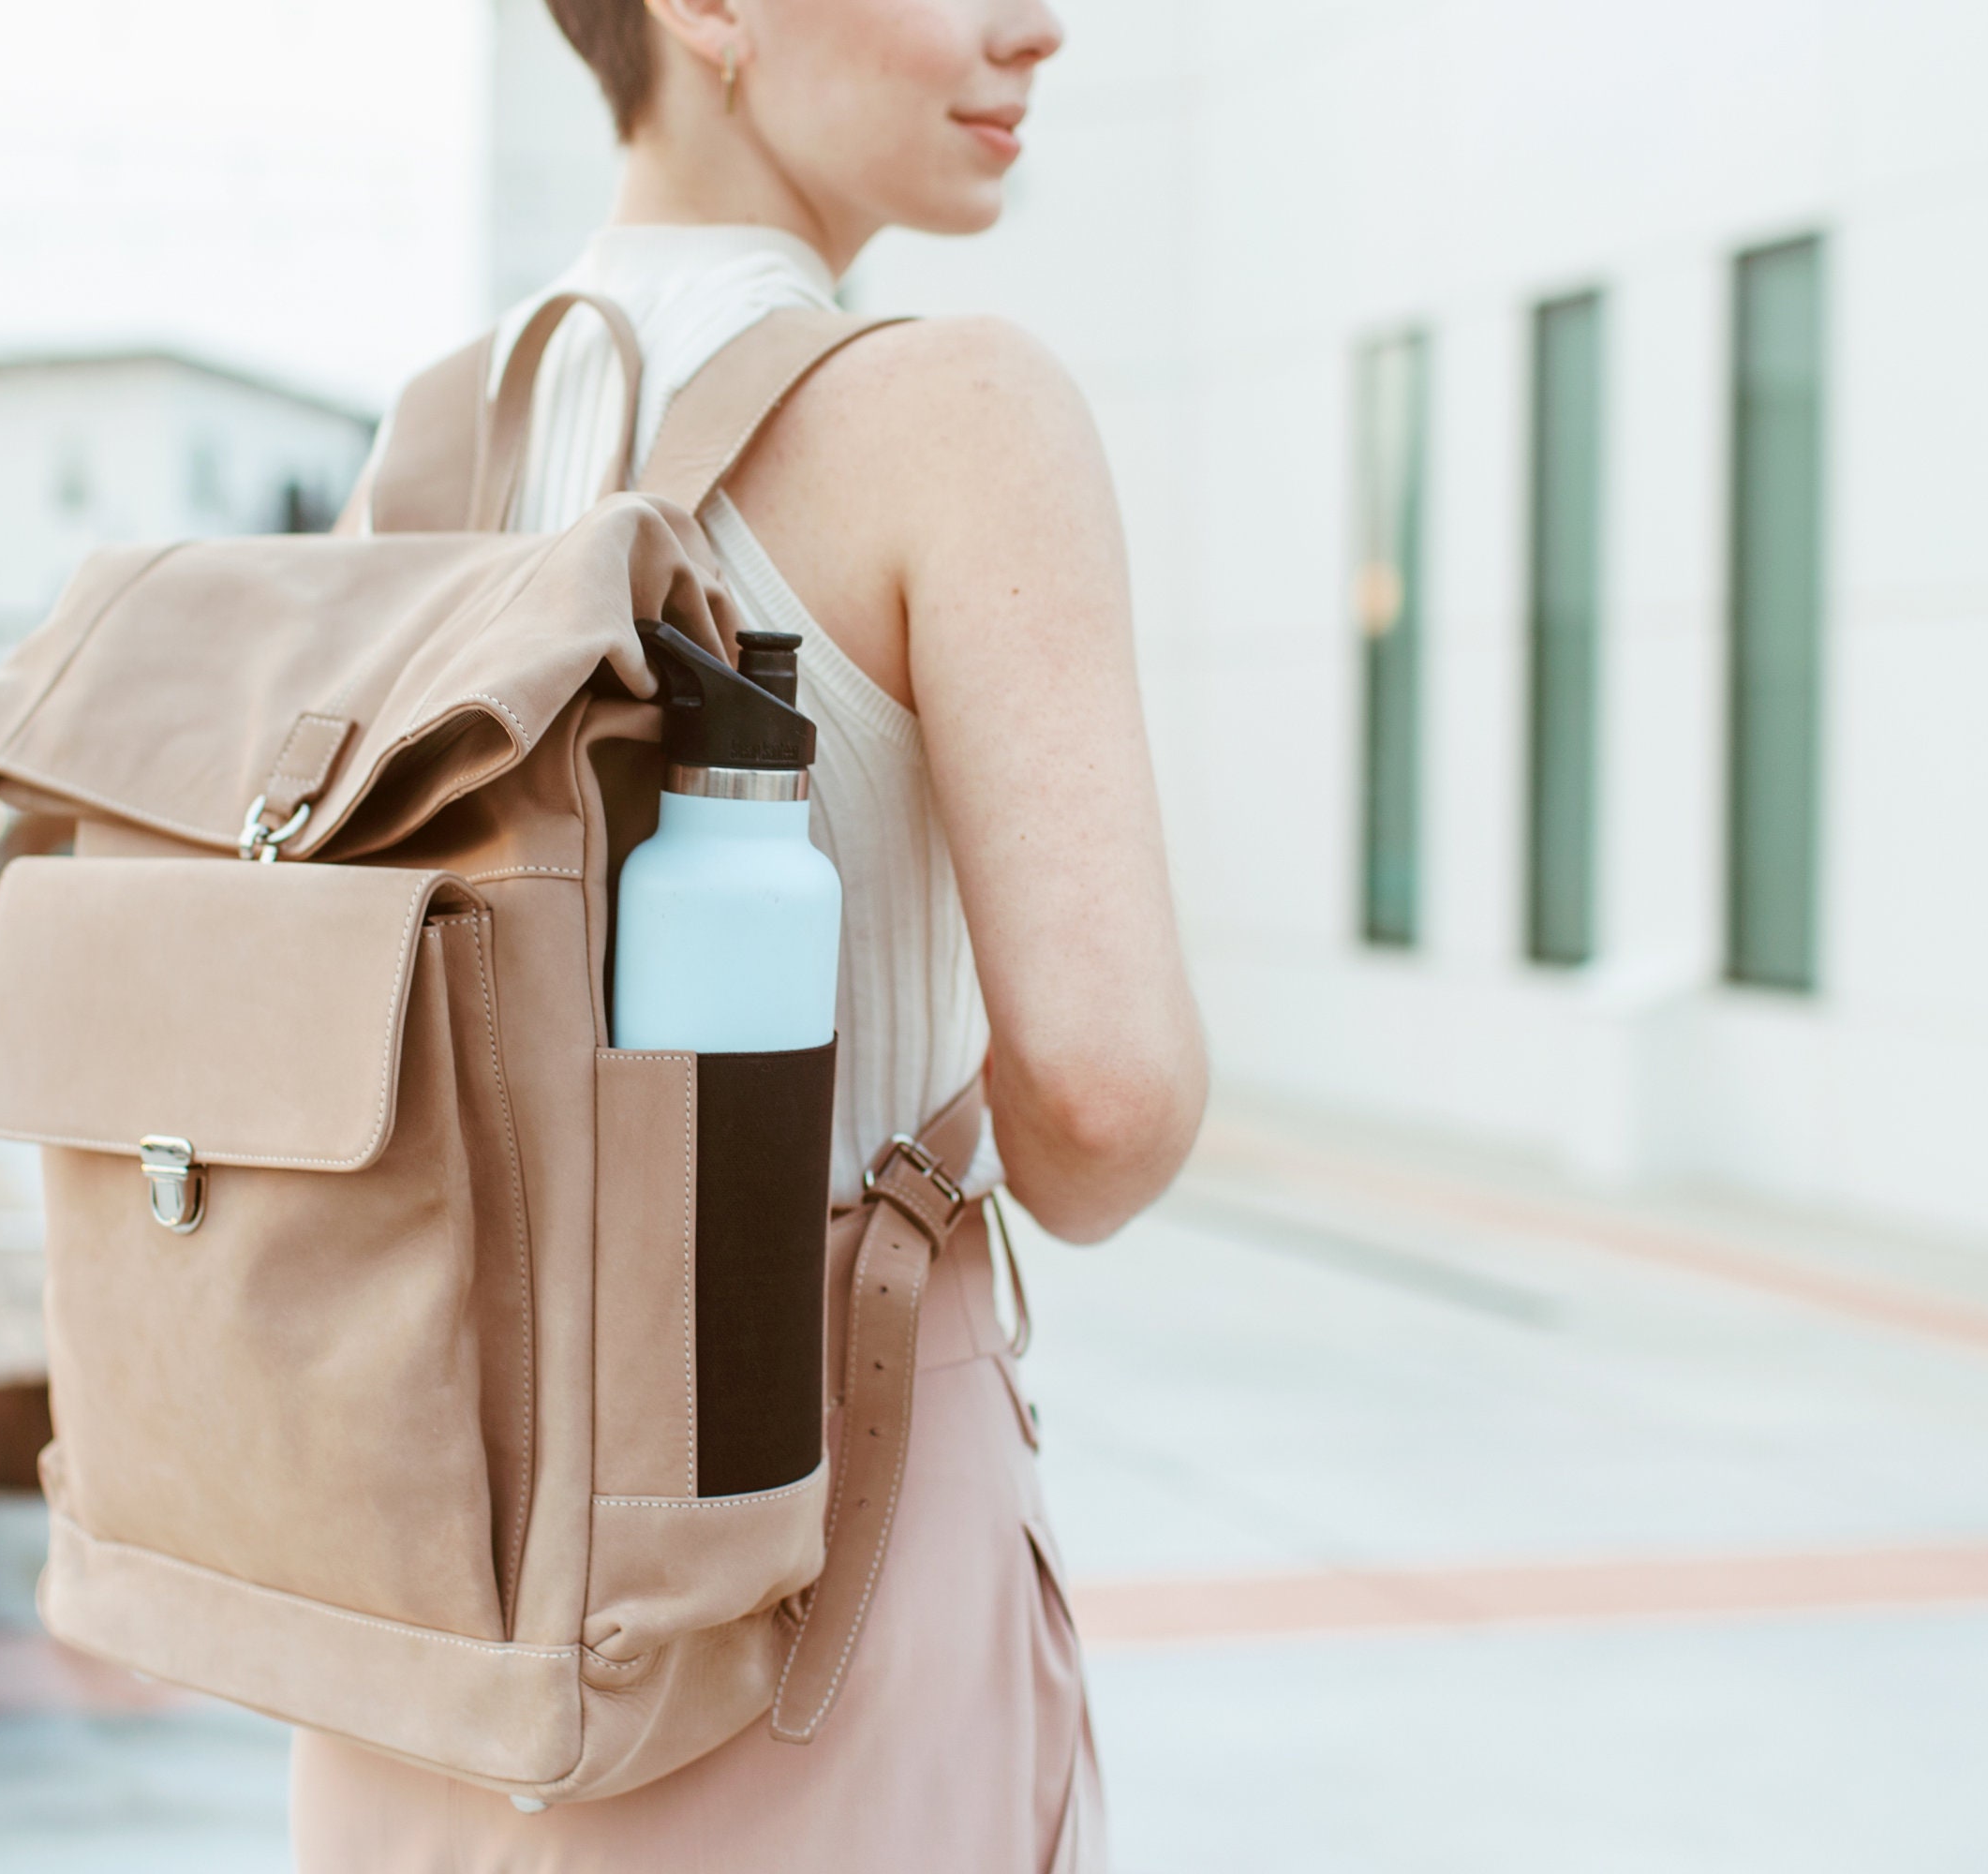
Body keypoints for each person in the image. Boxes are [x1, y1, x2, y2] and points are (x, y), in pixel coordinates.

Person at [297, 0, 1207, 1866]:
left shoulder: (425, 443)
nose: (1036, 28)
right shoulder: (960, 411)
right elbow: (1104, 1105)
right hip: (814, 1554)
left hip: (426, 1590)